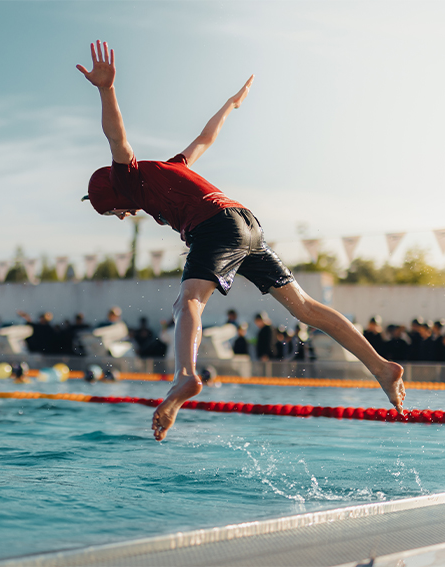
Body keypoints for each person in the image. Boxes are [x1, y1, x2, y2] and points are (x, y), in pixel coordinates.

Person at [77, 40, 405, 441]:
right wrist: (231, 105)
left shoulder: (129, 178)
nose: (122, 215)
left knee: (189, 300)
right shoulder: (169, 169)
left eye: (114, 211)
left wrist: (106, 90)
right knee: (304, 307)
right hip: (246, 223)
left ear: (113, 196)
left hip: (216, 226)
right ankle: (381, 366)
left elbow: (118, 140)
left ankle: (184, 377)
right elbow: (205, 139)